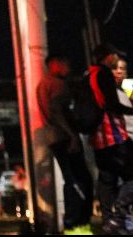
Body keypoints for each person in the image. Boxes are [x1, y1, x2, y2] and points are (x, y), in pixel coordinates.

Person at [36, 54, 93, 234]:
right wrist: (72, 135)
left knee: (71, 179)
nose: (69, 67)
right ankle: (78, 222)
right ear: (55, 65)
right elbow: (57, 112)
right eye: (65, 63)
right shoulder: (57, 85)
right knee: (80, 179)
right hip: (65, 137)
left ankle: (71, 223)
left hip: (53, 138)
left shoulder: (42, 84)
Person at [87, 44, 133, 235]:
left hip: (98, 139)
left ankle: (111, 221)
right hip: (112, 135)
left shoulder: (88, 75)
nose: (118, 70)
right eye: (115, 61)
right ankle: (118, 216)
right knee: (128, 176)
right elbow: (112, 105)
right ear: (108, 57)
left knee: (107, 180)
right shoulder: (103, 74)